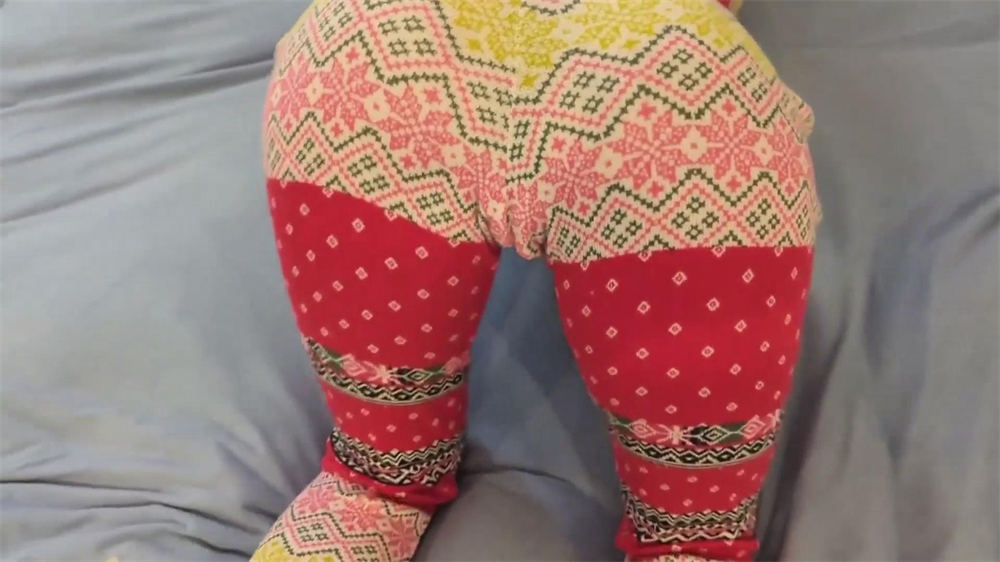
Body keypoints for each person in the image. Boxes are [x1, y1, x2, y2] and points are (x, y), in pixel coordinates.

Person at [251, 0, 821, 559]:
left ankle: (689, 533)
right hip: (393, 52)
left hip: (667, 79)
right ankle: (383, 470)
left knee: (699, 104)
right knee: (346, 46)